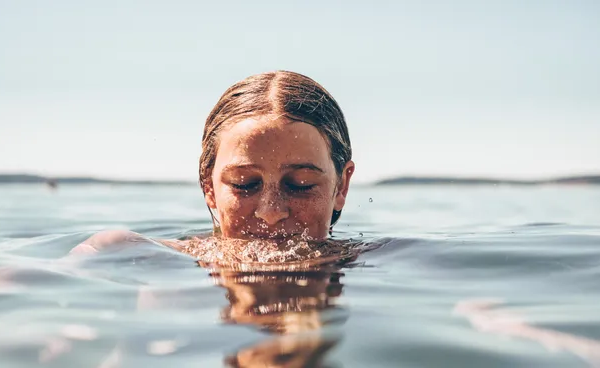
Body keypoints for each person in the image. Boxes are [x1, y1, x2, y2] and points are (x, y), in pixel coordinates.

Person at [70, 70, 355, 258]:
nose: (271, 212)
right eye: (244, 184)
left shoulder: (379, 261)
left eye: (300, 184)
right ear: (208, 186)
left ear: (341, 186)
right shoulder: (137, 255)